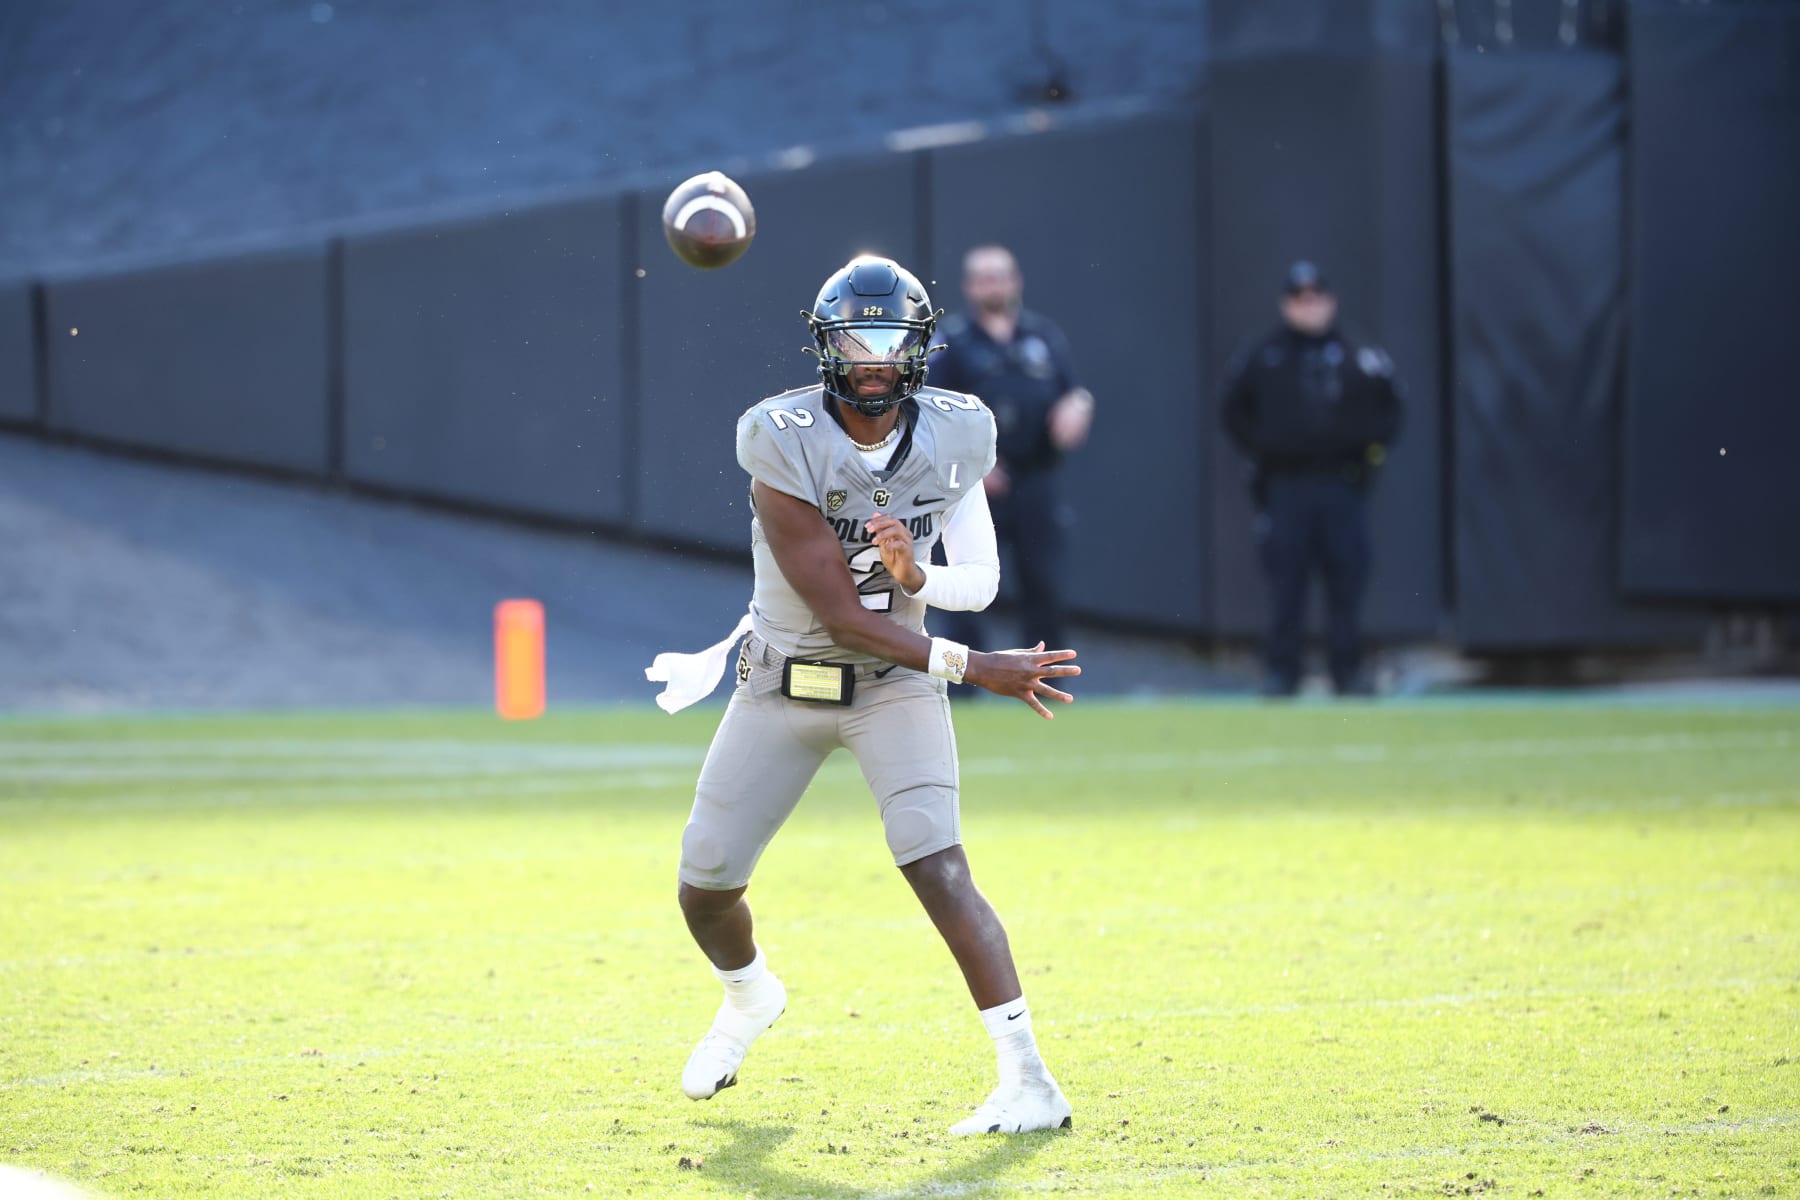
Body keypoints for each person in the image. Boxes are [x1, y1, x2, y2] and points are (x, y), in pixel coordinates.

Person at [645, 255, 1079, 1135]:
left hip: (897, 687)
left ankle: (1028, 1079)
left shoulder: (959, 431)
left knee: (937, 862)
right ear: (825, 343)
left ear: (920, 347)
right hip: (784, 685)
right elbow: (840, 617)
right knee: (704, 883)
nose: (873, 356)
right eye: (856, 336)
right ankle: (748, 995)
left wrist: (919, 571)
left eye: (890, 338)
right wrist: (976, 667)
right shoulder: (781, 435)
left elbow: (981, 583)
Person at [1221, 260, 1402, 697]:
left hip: (1342, 484)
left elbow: (1392, 408)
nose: (1309, 307)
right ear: (1287, 305)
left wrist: (1368, 453)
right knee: (1287, 584)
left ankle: (1348, 672)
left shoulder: (1359, 354)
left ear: (1330, 301)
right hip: (1287, 485)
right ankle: (1283, 673)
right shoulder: (1265, 356)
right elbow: (1232, 411)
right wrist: (1264, 448)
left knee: (1347, 580)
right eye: (1300, 299)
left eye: (1316, 297)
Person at [927, 245, 1093, 664]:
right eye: (983, 278)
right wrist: (972, 467)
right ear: (969, 287)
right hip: (976, 485)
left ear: (1015, 281)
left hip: (1036, 477)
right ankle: (963, 682)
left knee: (1045, 582)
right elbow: (931, 413)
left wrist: (1079, 403)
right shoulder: (953, 342)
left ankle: (1047, 677)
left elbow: (1074, 391)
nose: (993, 285)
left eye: (999, 276)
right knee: (965, 586)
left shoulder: (1042, 336)